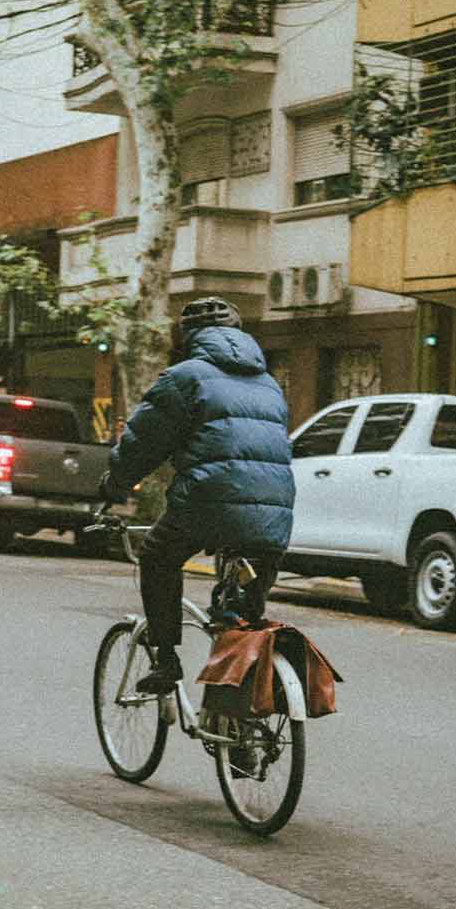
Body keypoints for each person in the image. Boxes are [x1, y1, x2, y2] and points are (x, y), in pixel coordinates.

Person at [99, 297, 295, 694]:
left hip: (209, 502)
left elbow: (144, 443)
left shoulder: (185, 377)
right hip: (275, 512)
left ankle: (166, 662)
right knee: (242, 617)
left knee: (157, 556)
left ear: (188, 338)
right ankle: (240, 720)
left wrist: (114, 485)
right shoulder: (269, 383)